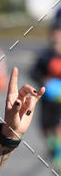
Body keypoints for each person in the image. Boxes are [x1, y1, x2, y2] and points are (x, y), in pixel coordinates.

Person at [31, 19, 61, 168]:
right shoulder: (45, 56)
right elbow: (34, 72)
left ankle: (58, 154)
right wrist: (44, 80)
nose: (56, 39)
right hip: (47, 97)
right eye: (54, 36)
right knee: (45, 127)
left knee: (58, 126)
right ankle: (54, 146)